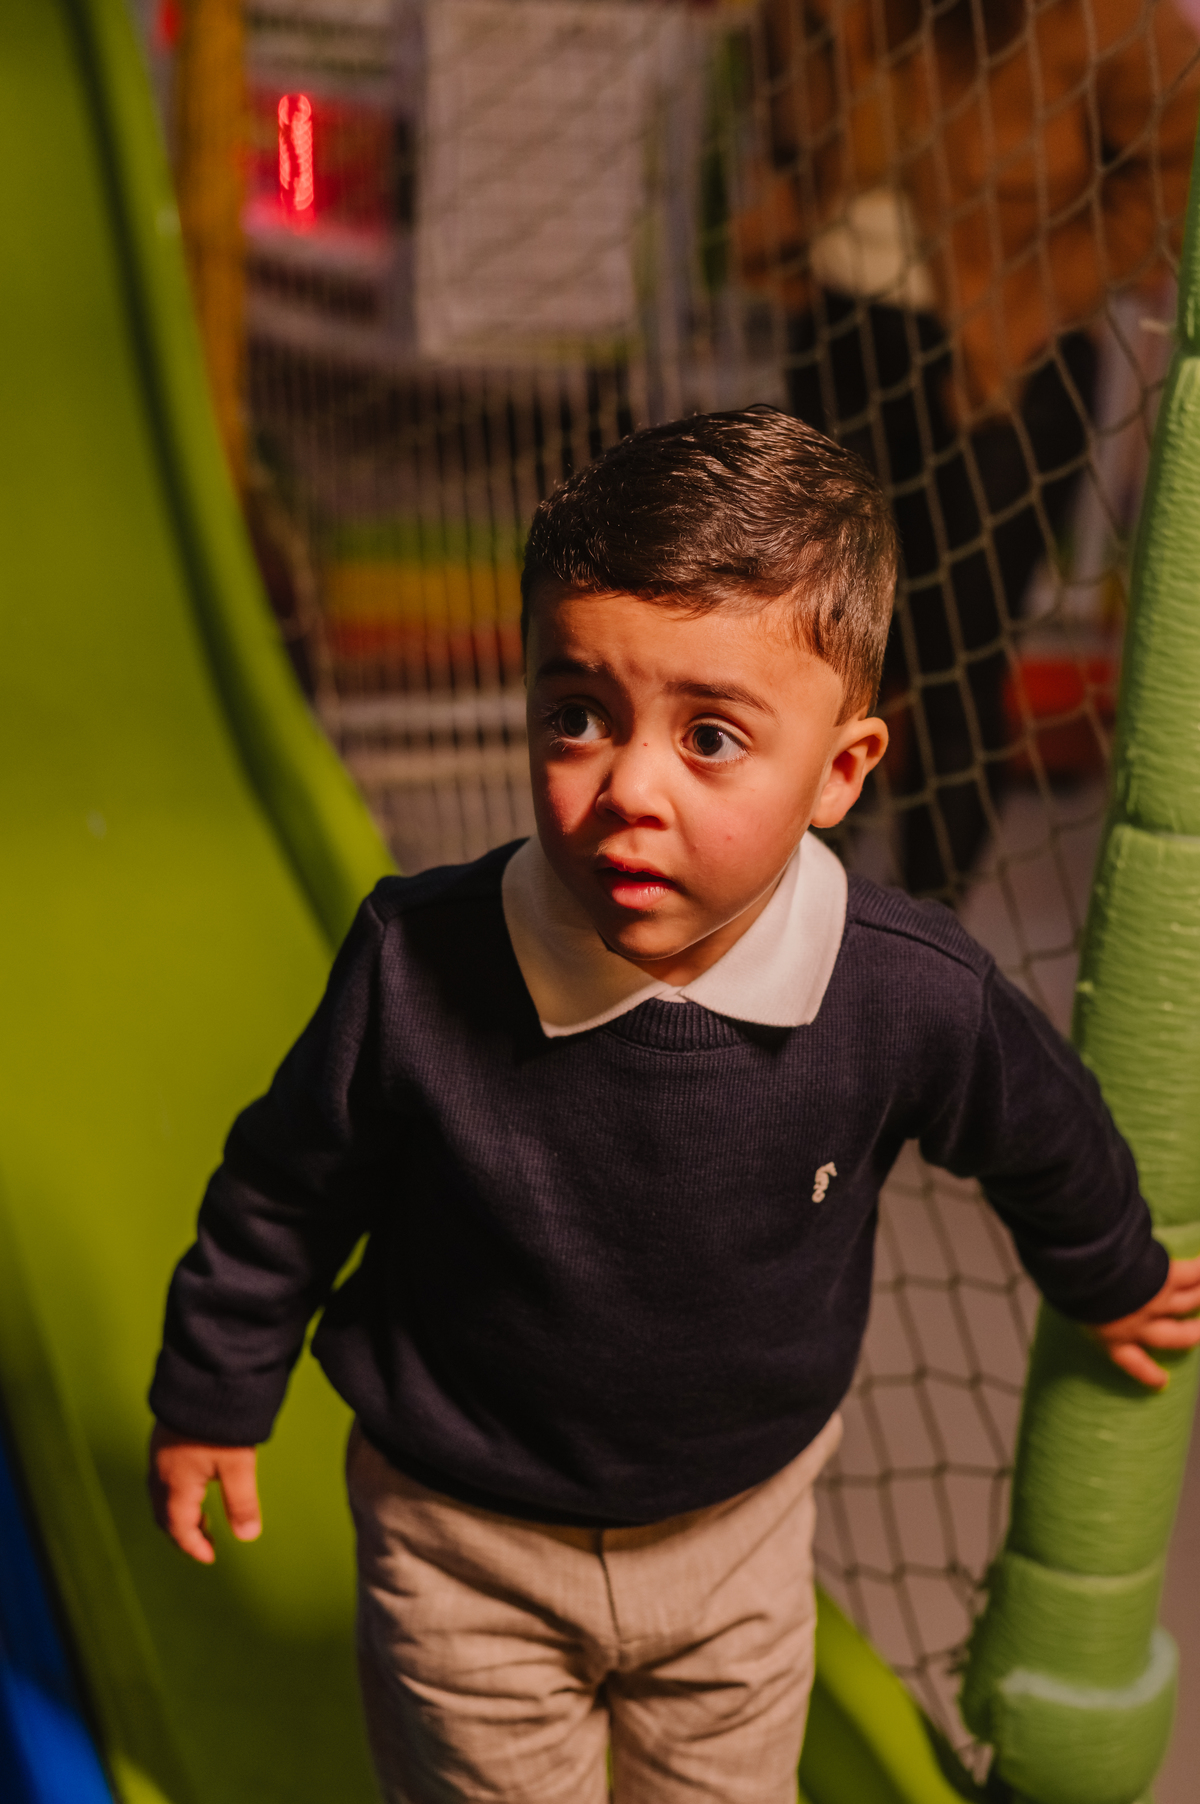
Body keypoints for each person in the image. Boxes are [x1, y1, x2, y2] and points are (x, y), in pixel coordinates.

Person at [146, 410, 1200, 1804]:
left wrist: (1113, 1272)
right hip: (469, 1537)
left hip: (740, 1537)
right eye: (578, 714)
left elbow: (1040, 1127)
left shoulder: (902, 989)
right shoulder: (422, 961)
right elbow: (287, 1184)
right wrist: (217, 1386)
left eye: (710, 737)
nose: (626, 787)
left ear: (840, 773)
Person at [738, 0, 1200, 896]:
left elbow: (1173, 162)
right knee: (830, 650)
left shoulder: (1098, 18)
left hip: (1005, 361)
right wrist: (785, 220)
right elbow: (787, 113)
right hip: (840, 331)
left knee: (959, 655)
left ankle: (925, 940)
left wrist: (1044, 289)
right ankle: (789, 907)